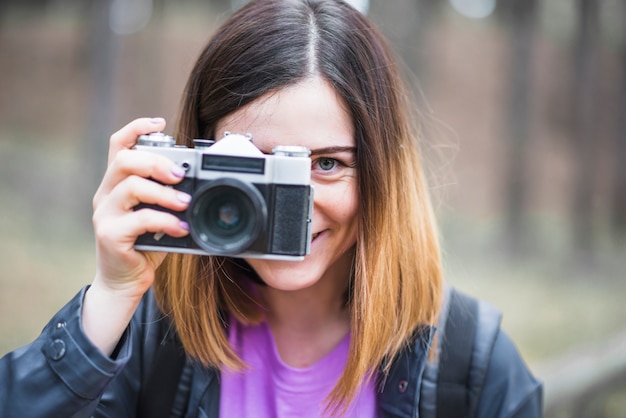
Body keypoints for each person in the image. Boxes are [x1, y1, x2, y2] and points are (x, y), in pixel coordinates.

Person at [0, 0, 542, 417]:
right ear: (196, 164)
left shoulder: (472, 363)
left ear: (384, 175)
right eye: (255, 168)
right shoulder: (145, 339)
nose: (294, 206)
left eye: (328, 164)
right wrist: (111, 296)